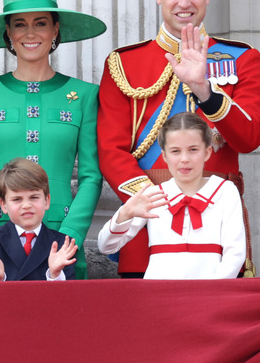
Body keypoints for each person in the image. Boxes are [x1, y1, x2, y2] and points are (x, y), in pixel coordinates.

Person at [97, 0, 260, 277]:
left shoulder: (242, 58)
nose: (184, 2)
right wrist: (153, 204)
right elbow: (110, 150)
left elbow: (250, 137)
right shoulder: (124, 64)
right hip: (148, 227)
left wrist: (205, 91)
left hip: (218, 222)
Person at [0, 0, 106, 279]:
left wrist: (69, 235)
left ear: (55, 30)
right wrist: (0, 177)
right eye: (19, 24)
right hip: (1, 237)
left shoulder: (85, 94)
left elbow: (92, 176)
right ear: (8, 33)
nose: (30, 33)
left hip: (63, 240)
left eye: (40, 23)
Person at [97, 112, 246, 279]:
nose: (184, 159)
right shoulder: (153, 195)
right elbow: (106, 246)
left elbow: (235, 253)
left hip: (210, 296)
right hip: (159, 297)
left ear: (207, 152)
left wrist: (211, 293)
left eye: (193, 150)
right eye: (175, 151)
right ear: (165, 156)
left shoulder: (225, 191)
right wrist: (125, 213)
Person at [0, 158, 78, 281]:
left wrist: (55, 275)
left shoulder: (62, 244)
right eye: (17, 199)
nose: (26, 205)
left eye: (34, 197)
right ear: (3, 205)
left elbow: (70, 297)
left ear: (47, 201)